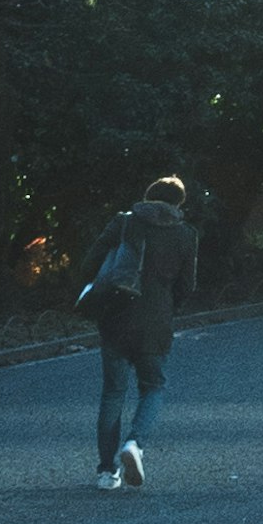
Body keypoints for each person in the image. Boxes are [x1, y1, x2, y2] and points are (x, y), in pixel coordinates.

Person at [76, 170, 196, 491]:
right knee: (153, 387)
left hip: (116, 316)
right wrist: (170, 306)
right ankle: (134, 444)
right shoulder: (186, 234)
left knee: (113, 393)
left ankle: (106, 471)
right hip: (156, 321)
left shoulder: (125, 222)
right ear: (179, 203)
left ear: (148, 196)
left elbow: (90, 264)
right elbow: (187, 286)